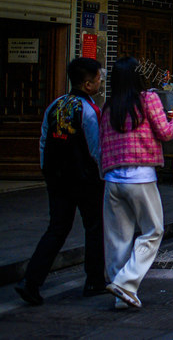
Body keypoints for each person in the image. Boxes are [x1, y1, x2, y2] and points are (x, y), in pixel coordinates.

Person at [16, 58, 106, 306]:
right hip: (86, 180)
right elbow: (95, 150)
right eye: (98, 78)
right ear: (87, 84)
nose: (100, 81)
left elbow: (44, 142)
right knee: (95, 227)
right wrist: (103, 177)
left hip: (57, 179)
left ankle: (30, 282)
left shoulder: (55, 105)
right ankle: (94, 280)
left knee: (57, 229)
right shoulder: (89, 111)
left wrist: (47, 171)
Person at [101, 57, 173, 309]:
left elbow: (98, 145)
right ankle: (126, 283)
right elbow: (165, 132)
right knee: (153, 231)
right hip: (141, 178)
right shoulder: (148, 99)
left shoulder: (108, 106)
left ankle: (121, 295)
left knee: (117, 239)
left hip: (112, 179)